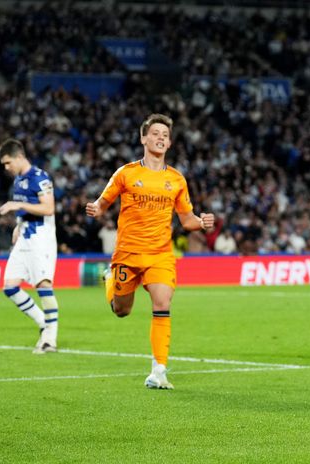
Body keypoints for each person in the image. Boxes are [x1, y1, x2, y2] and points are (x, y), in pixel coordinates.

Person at [85, 114, 215, 389]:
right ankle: (111, 280)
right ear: (143, 138)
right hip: (127, 254)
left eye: (165, 135)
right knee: (122, 310)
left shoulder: (177, 180)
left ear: (169, 143)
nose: (160, 138)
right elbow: (103, 202)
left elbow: (187, 219)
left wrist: (201, 223)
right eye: (155, 133)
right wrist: (96, 208)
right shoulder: (126, 173)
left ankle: (159, 370)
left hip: (160, 254)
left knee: (162, 303)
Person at [0, 139, 59, 354]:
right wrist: (18, 225)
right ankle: (44, 322)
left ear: (19, 157)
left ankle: (50, 338)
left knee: (43, 285)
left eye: (7, 163)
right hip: (24, 236)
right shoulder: (18, 180)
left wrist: (19, 205)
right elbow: (25, 210)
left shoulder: (39, 177)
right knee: (10, 287)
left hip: (41, 237)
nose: (6, 168)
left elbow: (49, 208)